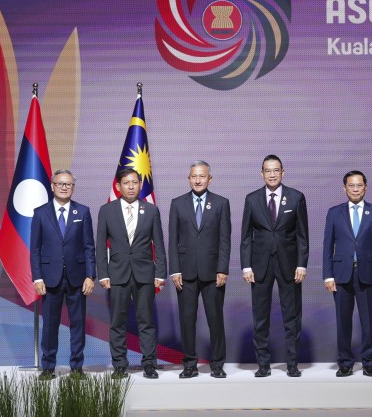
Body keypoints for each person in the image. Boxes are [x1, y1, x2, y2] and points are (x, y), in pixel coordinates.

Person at [241, 155, 309, 378]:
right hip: (259, 266)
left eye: (276, 170)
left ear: (283, 172)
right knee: (260, 317)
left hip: (289, 265)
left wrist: (301, 264)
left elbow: (302, 235)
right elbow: (246, 237)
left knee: (292, 316)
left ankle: (292, 364)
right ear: (261, 173)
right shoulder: (251, 199)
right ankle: (263, 365)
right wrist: (246, 266)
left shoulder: (296, 197)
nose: (272, 174)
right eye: (268, 171)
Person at [96, 168, 167, 379]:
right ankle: (119, 365)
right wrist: (103, 274)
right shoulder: (106, 210)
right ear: (118, 186)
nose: (130, 186)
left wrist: (160, 273)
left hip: (145, 274)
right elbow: (100, 246)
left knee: (146, 321)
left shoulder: (152, 210)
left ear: (140, 185)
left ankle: (149, 364)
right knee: (118, 321)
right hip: (117, 275)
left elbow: (159, 245)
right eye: (126, 183)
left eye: (134, 182)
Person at [29, 169, 95, 378]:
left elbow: (88, 247)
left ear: (73, 187)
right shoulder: (40, 213)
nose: (64, 187)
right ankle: (48, 367)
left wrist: (90, 275)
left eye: (68, 184)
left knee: (78, 325)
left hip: (77, 278)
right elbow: (35, 249)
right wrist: (37, 277)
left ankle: (77, 367)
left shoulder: (83, 212)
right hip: (49, 279)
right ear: (52, 186)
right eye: (60, 183)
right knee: (49, 325)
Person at [168, 161, 231, 379]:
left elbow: (225, 240)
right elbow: (173, 240)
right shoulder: (177, 204)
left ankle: (217, 364)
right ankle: (189, 365)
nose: (197, 180)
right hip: (185, 274)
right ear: (188, 178)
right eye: (194, 176)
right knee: (187, 320)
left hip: (213, 273)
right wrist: (174, 270)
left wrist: (223, 269)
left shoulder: (221, 203)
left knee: (215, 319)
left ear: (209, 179)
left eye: (202, 176)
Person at [322, 170, 372, 377]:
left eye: (359, 185)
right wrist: (328, 275)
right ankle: (345, 362)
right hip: (341, 275)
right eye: (351, 185)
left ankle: (369, 362)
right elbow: (327, 246)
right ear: (344, 188)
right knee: (343, 321)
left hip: (368, 275)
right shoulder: (334, 213)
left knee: (369, 322)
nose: (355, 189)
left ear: (366, 187)